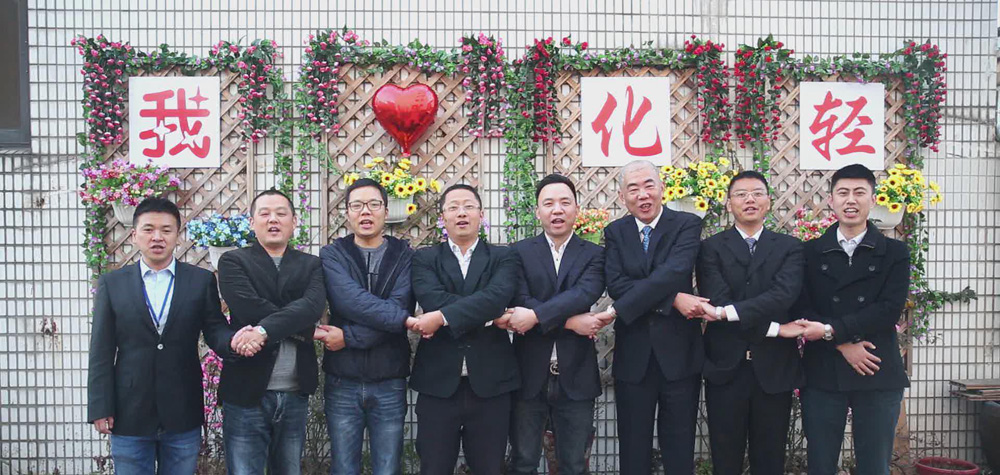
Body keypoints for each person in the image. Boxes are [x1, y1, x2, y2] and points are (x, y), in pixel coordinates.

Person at [87, 197, 238, 475]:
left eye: (166, 230)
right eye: (148, 229)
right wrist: (100, 405)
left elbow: (215, 330)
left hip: (182, 409)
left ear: (177, 236)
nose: (157, 237)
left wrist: (236, 341)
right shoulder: (113, 283)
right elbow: (101, 350)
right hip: (128, 411)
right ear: (134, 235)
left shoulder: (200, 280)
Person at [794, 164, 910, 475]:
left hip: (876, 365)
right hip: (823, 369)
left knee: (875, 465)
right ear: (830, 200)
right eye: (843, 192)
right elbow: (802, 307)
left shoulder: (895, 252)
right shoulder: (809, 252)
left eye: (860, 192)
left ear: (873, 199)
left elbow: (889, 309)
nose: (851, 200)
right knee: (820, 463)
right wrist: (842, 343)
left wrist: (831, 330)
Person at [695, 170, 806, 474]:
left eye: (757, 193)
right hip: (725, 368)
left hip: (773, 369)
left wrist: (727, 313)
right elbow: (717, 298)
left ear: (769, 201)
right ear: (729, 203)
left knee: (770, 458)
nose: (749, 200)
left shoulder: (790, 247)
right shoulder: (710, 248)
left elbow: (783, 296)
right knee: (725, 457)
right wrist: (775, 329)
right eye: (741, 194)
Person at [407, 184, 520, 475]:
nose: (461, 213)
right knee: (434, 467)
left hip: (491, 384)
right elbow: (432, 299)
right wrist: (490, 317)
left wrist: (442, 317)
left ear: (481, 215)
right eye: (453, 207)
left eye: (468, 206)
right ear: (442, 217)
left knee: (490, 468)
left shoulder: (503, 257)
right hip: (438, 384)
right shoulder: (424, 258)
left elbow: (497, 297)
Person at [603, 159, 705, 474]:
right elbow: (616, 285)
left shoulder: (687, 224)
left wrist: (655, 294)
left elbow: (674, 271)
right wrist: (673, 299)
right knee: (633, 449)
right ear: (622, 197)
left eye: (649, 185)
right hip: (634, 357)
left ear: (662, 188)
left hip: (679, 356)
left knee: (680, 448)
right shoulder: (615, 231)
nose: (643, 194)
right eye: (633, 189)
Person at [502, 174, 607, 475]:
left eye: (564, 202)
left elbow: (583, 294)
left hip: (577, 374)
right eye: (548, 203)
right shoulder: (518, 252)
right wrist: (572, 323)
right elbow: (519, 298)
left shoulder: (595, 254)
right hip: (527, 373)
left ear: (576, 209)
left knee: (574, 464)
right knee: (523, 461)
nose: (557, 210)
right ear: (538, 211)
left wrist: (535, 316)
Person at [216, 189, 327, 475]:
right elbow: (248, 307)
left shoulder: (311, 264)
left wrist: (264, 329)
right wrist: (303, 327)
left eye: (281, 213)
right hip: (246, 390)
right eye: (264, 213)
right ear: (252, 222)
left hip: (294, 392)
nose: (273, 219)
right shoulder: (233, 261)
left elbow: (312, 307)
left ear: (294, 221)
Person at [318, 178, 415, 475]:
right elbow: (348, 301)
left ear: (386, 210)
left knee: (388, 467)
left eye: (374, 204)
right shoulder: (333, 254)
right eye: (357, 205)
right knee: (343, 467)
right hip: (342, 379)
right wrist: (396, 319)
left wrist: (348, 336)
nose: (365, 211)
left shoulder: (406, 256)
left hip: (389, 378)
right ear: (347, 212)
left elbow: (399, 308)